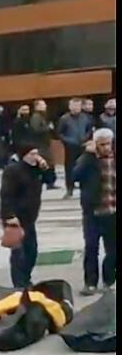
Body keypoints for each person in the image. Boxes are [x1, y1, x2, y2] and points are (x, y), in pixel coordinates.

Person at [0, 143, 54, 288]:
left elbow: (50, 180)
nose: (35, 157)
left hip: (30, 218)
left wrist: (46, 168)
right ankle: (19, 283)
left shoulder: (36, 170)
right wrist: (9, 215)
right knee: (18, 253)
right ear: (24, 155)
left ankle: (26, 277)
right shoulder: (13, 171)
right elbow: (6, 195)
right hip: (15, 217)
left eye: (37, 153)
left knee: (32, 251)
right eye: (32, 154)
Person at [73, 128, 117, 295]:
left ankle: (109, 280)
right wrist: (88, 155)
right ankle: (90, 283)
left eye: (108, 143)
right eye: (102, 144)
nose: (106, 147)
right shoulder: (89, 161)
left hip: (112, 211)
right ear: (96, 145)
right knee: (91, 248)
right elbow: (75, 175)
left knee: (113, 250)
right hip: (93, 212)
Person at [58, 98, 95, 199]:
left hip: (83, 146)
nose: (75, 108)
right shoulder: (64, 118)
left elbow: (90, 130)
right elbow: (60, 133)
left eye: (78, 106)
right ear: (70, 106)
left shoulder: (86, 117)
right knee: (69, 168)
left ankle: (85, 188)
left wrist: (87, 139)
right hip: (70, 147)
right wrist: (68, 141)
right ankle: (69, 189)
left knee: (85, 167)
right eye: (73, 106)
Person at [30, 100, 56, 188]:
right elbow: (36, 129)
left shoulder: (42, 116)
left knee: (48, 162)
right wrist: (48, 128)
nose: (45, 106)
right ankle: (48, 182)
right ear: (37, 106)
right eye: (43, 105)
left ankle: (49, 182)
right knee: (47, 162)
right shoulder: (36, 117)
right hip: (40, 144)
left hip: (44, 144)